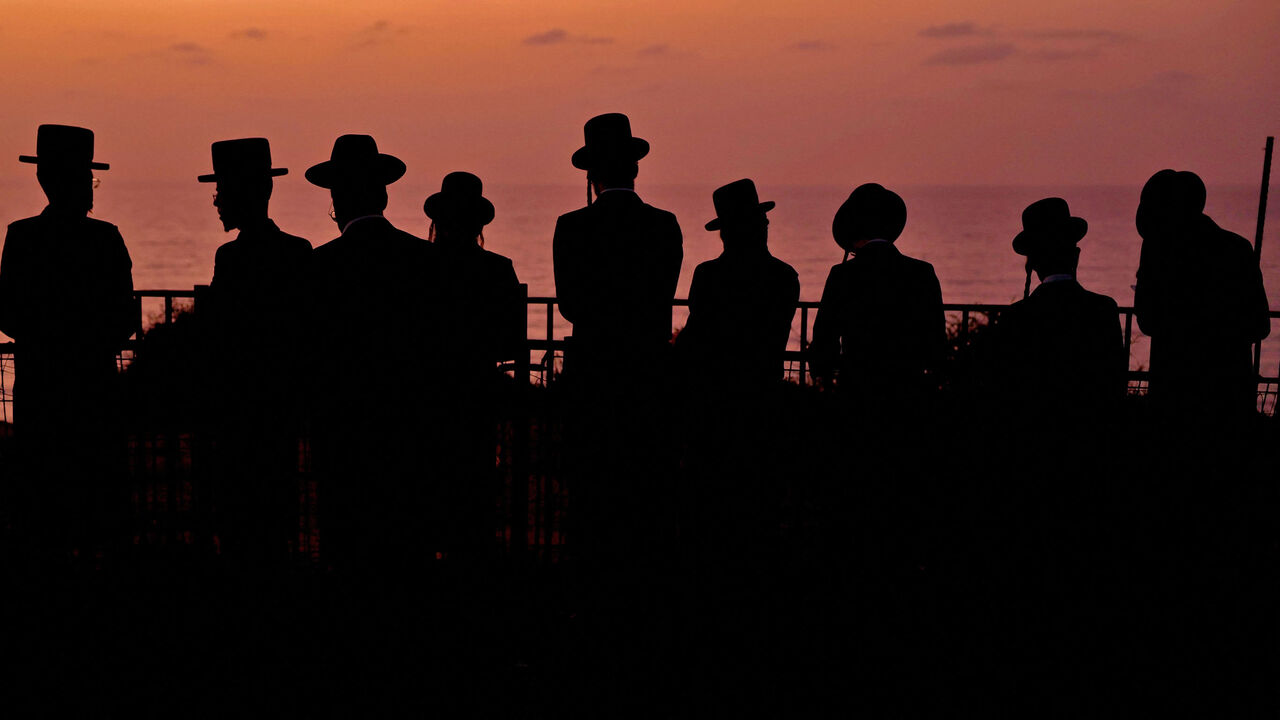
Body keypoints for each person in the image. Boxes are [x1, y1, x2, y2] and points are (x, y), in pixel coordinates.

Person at [0, 124, 135, 563]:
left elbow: (7, 315)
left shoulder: (21, 237)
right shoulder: (107, 238)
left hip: (39, 392)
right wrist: (87, 342)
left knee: (42, 513)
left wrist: (47, 338)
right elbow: (125, 320)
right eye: (88, 178)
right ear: (70, 181)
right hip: (96, 393)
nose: (92, 188)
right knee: (99, 510)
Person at [304, 134, 438, 571]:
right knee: (406, 541)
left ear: (336, 200)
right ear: (383, 195)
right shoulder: (424, 260)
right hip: (410, 426)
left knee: (346, 544)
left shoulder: (319, 266)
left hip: (342, 429)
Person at [198, 137, 312, 566]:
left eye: (221, 194)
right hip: (279, 406)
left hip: (237, 408)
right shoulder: (298, 252)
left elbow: (219, 335)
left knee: (239, 519)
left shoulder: (230, 258)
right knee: (275, 512)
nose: (217, 204)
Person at [421, 171, 522, 562]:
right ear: (479, 224)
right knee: (474, 487)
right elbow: (512, 341)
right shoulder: (498, 269)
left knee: (429, 485)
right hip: (477, 393)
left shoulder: (419, 266)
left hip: (426, 393)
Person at [553, 113, 683, 387]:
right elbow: (663, 295)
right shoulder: (664, 224)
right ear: (635, 168)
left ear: (591, 174)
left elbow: (568, 305)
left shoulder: (571, 226)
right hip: (648, 366)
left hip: (591, 367)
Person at [1134, 169, 1270, 420]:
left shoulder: (1158, 252)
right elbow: (1260, 325)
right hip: (1231, 398)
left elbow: (1146, 320)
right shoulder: (1238, 248)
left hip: (1173, 399)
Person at [809, 183, 944, 412]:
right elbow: (936, 339)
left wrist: (822, 379)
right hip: (909, 390)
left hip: (856, 390)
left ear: (853, 236)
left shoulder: (842, 275)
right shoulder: (922, 272)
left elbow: (825, 337)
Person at [996, 197, 1126, 418]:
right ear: (1075, 256)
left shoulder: (1015, 317)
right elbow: (1114, 382)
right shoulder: (1104, 309)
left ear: (1032, 265)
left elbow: (1006, 387)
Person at [675, 178, 799, 390]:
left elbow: (695, 336)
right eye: (763, 222)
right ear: (760, 227)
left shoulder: (707, 274)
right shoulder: (784, 276)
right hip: (764, 385)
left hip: (711, 385)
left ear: (725, 233)